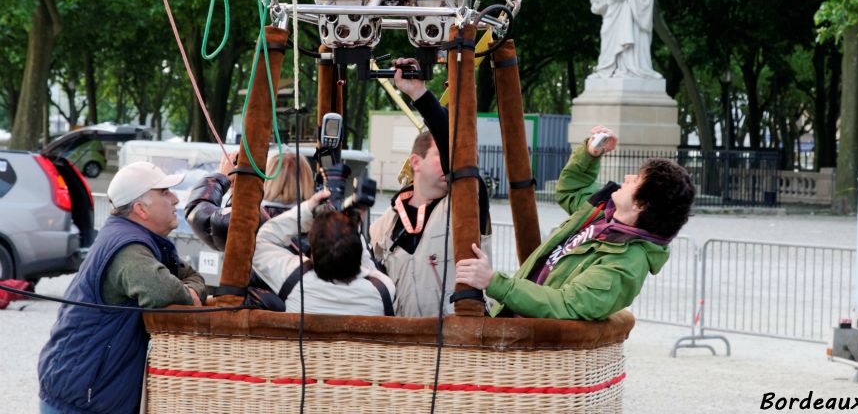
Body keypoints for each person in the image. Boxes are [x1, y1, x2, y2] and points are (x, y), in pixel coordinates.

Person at [455, 125, 693, 320]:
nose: (628, 178)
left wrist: (494, 282)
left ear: (641, 205)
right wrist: (590, 155)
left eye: (637, 179)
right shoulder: (604, 214)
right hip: (518, 328)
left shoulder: (628, 263)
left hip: (537, 352)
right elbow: (572, 190)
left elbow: (567, 305)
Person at [38, 162, 207, 414]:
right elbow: (168, 293)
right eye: (164, 193)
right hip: (83, 400)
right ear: (141, 209)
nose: (174, 199)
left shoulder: (134, 238)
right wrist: (191, 295)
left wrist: (191, 289)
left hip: (83, 392)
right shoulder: (129, 249)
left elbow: (191, 277)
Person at [368, 58, 491, 317]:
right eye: (439, 157)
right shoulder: (383, 226)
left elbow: (455, 145)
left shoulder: (465, 203)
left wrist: (419, 94)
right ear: (416, 162)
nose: (450, 164)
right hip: (402, 344)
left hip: (457, 344)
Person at [252, 188, 395, 314]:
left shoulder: (296, 280)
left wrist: (308, 209)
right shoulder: (383, 290)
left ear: (312, 253)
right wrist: (353, 225)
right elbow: (367, 267)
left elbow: (261, 240)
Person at [185, 150, 314, 250]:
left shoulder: (250, 219)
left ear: (267, 180)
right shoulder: (317, 221)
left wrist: (221, 179)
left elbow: (197, 213)